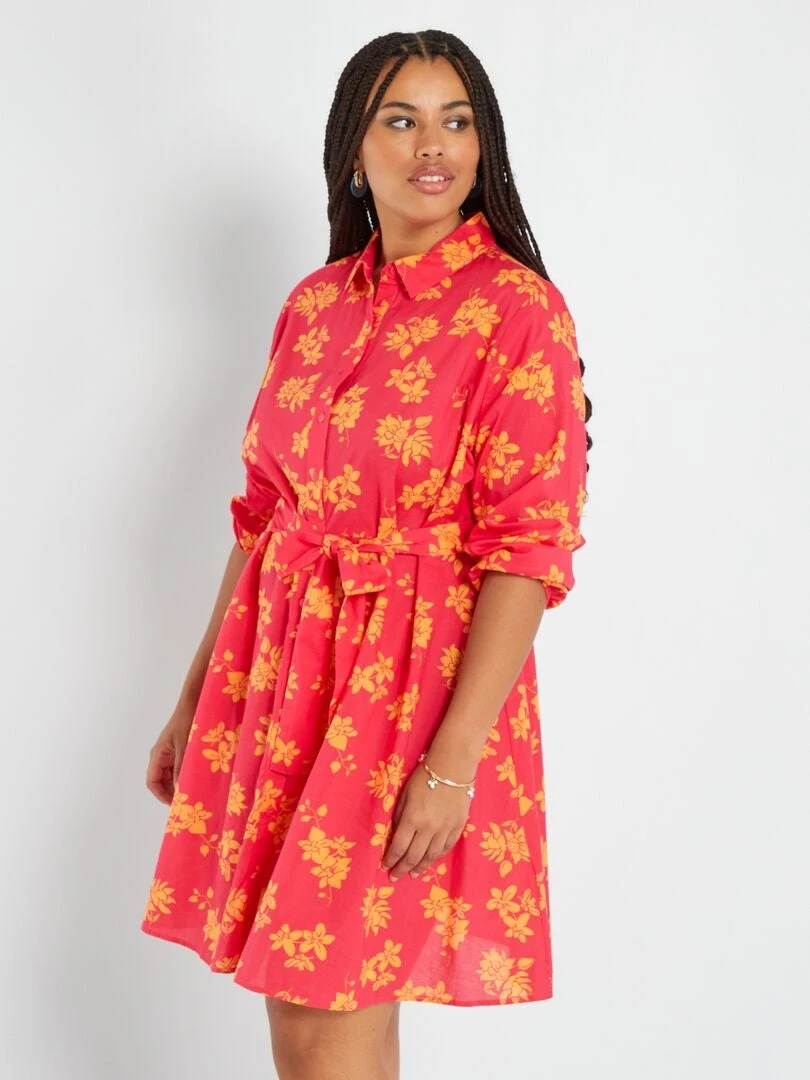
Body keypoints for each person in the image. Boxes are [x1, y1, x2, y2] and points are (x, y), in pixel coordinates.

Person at [142, 28, 592, 1080]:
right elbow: (264, 520)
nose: (433, 145)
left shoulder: (518, 313)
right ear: (355, 149)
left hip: (407, 700)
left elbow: (527, 553)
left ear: (483, 146)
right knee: (312, 1005)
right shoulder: (314, 305)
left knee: (320, 1010)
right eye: (402, 120)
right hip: (285, 682)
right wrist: (195, 696)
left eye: (456, 121)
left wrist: (453, 762)